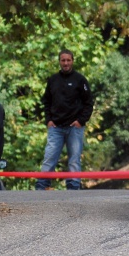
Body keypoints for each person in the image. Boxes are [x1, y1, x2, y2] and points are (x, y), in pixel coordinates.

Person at [35, 49, 94, 190]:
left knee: (74, 159)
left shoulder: (80, 80)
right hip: (56, 127)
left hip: (74, 127)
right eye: (63, 60)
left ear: (72, 61)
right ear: (59, 61)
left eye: (68, 60)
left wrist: (81, 121)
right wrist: (48, 120)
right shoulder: (53, 80)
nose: (66, 63)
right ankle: (42, 185)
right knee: (49, 157)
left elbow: (89, 102)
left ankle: (73, 186)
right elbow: (46, 102)